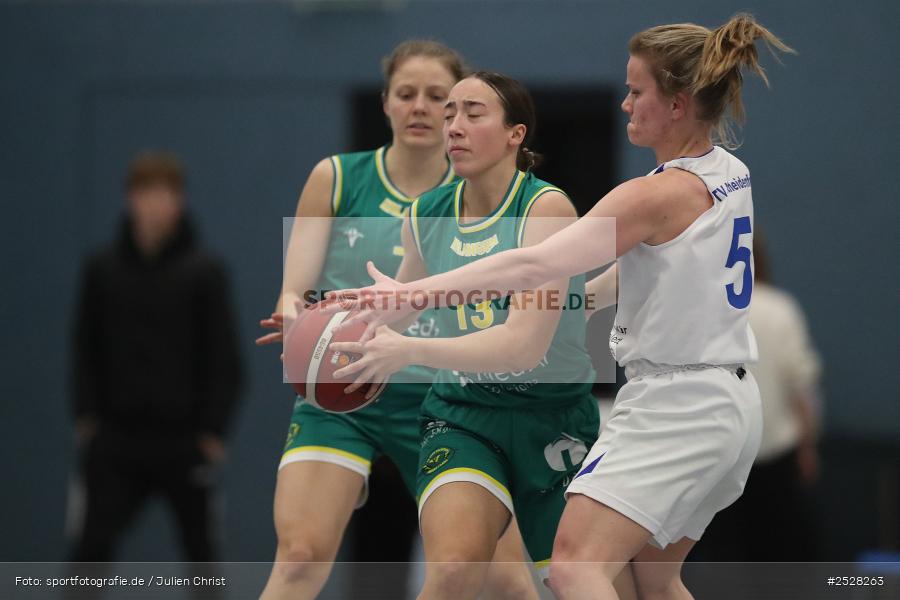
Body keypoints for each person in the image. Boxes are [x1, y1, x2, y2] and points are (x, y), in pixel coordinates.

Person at [327, 14, 794, 599]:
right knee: (655, 579)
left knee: (574, 568)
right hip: (731, 402)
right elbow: (653, 267)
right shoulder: (728, 172)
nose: (625, 103)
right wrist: (581, 299)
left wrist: (415, 294)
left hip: (677, 405)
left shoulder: (648, 195)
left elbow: (533, 265)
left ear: (677, 104)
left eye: (637, 91)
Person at [327, 71, 635, 600]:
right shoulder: (426, 213)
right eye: (449, 114)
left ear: (516, 134)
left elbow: (521, 347)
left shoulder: (545, 209)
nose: (453, 125)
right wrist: (333, 333)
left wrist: (409, 350)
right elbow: (399, 307)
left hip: (553, 418)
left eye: (473, 113)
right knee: (451, 571)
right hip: (463, 415)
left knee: (592, 584)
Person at [257, 41, 538, 600]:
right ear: (385, 102)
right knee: (299, 557)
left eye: (438, 97)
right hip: (342, 385)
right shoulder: (337, 177)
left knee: (504, 578)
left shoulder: (483, 191)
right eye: (406, 94)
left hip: (444, 397)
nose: (421, 107)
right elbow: (295, 290)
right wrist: (294, 314)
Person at [70, 151, 242, 564]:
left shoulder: (205, 272)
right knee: (90, 548)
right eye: (147, 193)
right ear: (130, 199)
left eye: (166, 194)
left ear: (179, 201)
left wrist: (213, 430)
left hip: (184, 440)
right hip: (116, 438)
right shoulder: (102, 269)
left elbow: (225, 356)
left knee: (202, 555)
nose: (156, 205)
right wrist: (87, 417)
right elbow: (84, 345)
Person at [695, 233, 823, 563]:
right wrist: (807, 447)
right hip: (774, 454)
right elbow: (801, 387)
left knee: (722, 556)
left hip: (718, 455)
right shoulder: (780, 309)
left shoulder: (705, 309)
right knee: (779, 554)